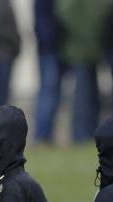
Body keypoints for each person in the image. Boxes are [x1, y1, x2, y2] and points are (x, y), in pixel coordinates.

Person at [55, 0, 109, 143]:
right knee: (82, 97)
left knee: (91, 96)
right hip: (80, 51)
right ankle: (80, 134)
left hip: (90, 51)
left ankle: (90, 132)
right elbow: (66, 15)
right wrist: (82, 35)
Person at [34, 0, 64, 143]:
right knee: (49, 92)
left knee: (50, 92)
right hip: (50, 49)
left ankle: (45, 134)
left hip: (49, 48)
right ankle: (43, 135)